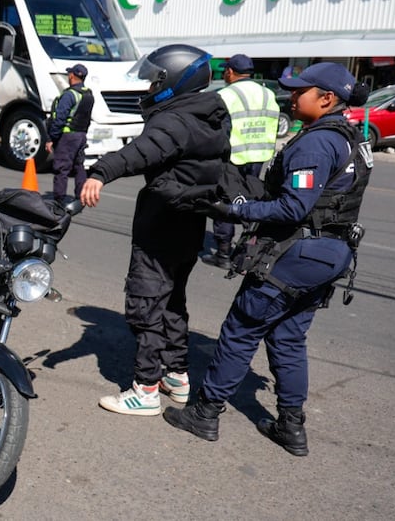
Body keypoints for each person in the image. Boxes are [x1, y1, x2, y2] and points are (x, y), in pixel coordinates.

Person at [164, 63, 372, 456]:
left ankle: (205, 414)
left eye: (301, 91)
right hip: (331, 253)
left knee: (242, 329)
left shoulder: (316, 142)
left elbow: (294, 207)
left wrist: (237, 211)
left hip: (297, 252)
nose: (291, 97)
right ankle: (291, 428)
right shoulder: (349, 137)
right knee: (289, 337)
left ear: (327, 99)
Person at [80, 44, 230, 415]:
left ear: (173, 82)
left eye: (153, 83)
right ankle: (177, 375)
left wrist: (101, 172)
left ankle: (145, 389)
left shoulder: (172, 121)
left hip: (162, 224)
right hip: (190, 220)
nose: (148, 90)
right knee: (173, 301)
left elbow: (141, 152)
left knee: (147, 304)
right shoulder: (207, 115)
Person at [201, 54, 279, 270]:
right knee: (251, 199)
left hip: (232, 156)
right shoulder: (267, 93)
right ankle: (247, 249)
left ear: (230, 72)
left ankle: (223, 253)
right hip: (259, 154)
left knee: (226, 199)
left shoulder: (225, 95)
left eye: (225, 70)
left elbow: (217, 130)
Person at [45, 64, 94, 203]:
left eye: (69, 74)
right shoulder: (88, 94)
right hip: (81, 135)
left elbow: (59, 118)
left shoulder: (69, 95)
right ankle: (81, 196)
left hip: (67, 137)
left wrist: (52, 138)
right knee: (79, 166)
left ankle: (59, 199)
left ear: (72, 76)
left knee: (61, 168)